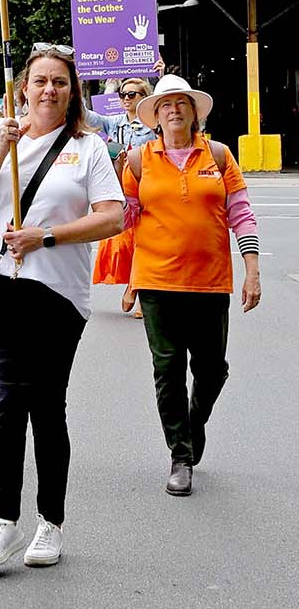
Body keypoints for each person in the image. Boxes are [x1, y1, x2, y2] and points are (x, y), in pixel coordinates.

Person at [0, 43, 124, 570]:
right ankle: (3, 521)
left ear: (72, 91)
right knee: (9, 400)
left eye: (59, 81)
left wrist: (45, 236)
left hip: (59, 293)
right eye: (40, 81)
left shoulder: (88, 146)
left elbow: (112, 217)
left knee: (46, 405)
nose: (48, 90)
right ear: (22, 87)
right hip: (2, 282)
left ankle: (50, 521)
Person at [123, 75, 261, 497]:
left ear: (194, 112)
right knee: (167, 370)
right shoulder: (137, 161)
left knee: (212, 370)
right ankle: (180, 457)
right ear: (156, 117)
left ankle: (192, 424)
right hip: (157, 282)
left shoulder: (218, 156)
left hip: (210, 282)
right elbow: (123, 220)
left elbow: (241, 212)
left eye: (182, 103)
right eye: (165, 105)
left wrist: (251, 269)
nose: (174, 110)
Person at [84, 77, 159, 317]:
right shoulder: (115, 123)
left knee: (146, 242)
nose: (126, 99)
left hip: (149, 190)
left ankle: (136, 288)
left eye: (133, 94)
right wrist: (73, 84)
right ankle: (132, 283)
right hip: (122, 191)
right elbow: (87, 117)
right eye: (123, 95)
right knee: (125, 244)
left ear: (144, 97)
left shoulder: (154, 125)